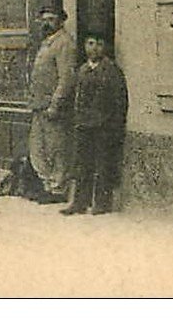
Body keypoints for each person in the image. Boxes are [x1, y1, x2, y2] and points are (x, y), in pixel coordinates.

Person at [64, 34, 129, 216]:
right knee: (82, 164)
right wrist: (77, 119)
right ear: (85, 46)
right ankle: (79, 203)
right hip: (84, 125)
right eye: (90, 43)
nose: (94, 48)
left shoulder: (112, 71)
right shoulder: (83, 70)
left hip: (104, 126)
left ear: (105, 47)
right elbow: (76, 97)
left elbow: (120, 102)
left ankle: (102, 203)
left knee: (103, 164)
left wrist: (114, 126)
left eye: (99, 44)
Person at [27, 6, 76, 204]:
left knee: (57, 148)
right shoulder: (47, 43)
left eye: (51, 19)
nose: (46, 23)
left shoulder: (64, 43)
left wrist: (56, 104)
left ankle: (58, 188)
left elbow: (66, 78)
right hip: (39, 105)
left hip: (53, 107)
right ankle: (47, 186)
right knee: (39, 148)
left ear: (61, 21)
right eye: (44, 19)